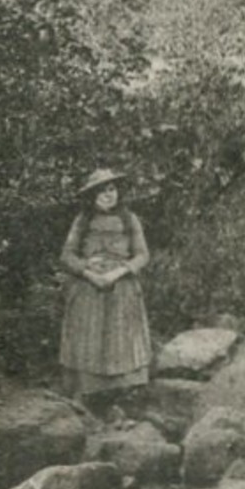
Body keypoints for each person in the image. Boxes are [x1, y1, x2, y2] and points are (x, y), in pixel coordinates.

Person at [59, 168, 152, 407]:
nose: (108, 195)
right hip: (89, 286)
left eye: (111, 190)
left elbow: (142, 255)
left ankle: (125, 395)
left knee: (123, 337)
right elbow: (67, 256)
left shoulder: (129, 219)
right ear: (92, 196)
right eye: (101, 191)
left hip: (121, 286)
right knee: (89, 335)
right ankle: (89, 394)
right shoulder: (82, 220)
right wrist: (88, 272)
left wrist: (118, 272)